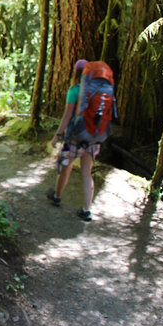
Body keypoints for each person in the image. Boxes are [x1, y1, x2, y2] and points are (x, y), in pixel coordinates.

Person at [47, 59, 99, 221]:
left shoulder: (74, 91)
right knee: (86, 173)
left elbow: (68, 115)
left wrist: (57, 135)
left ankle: (57, 196)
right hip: (92, 137)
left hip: (75, 137)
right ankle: (86, 210)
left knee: (66, 167)